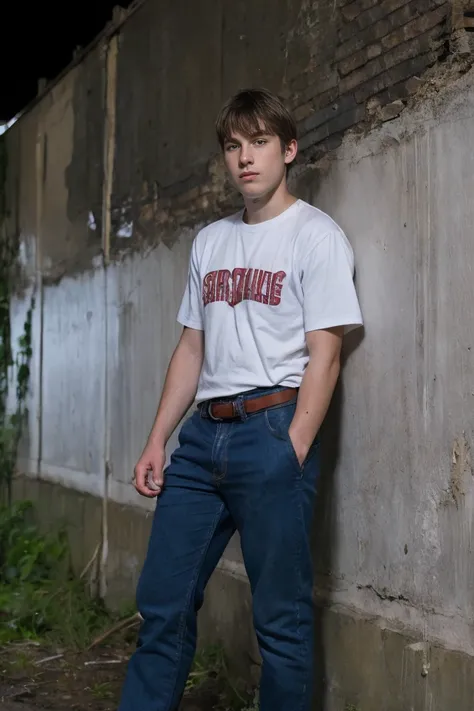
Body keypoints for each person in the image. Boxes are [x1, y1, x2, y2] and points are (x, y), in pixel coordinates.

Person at [118, 88, 363, 711]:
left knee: (279, 621)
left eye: (259, 143)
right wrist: (157, 440)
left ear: (288, 149)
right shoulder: (210, 243)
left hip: (272, 428)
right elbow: (191, 350)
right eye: (234, 146)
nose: (245, 158)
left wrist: (294, 446)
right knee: (163, 602)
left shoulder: (317, 237)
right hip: (203, 441)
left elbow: (326, 353)